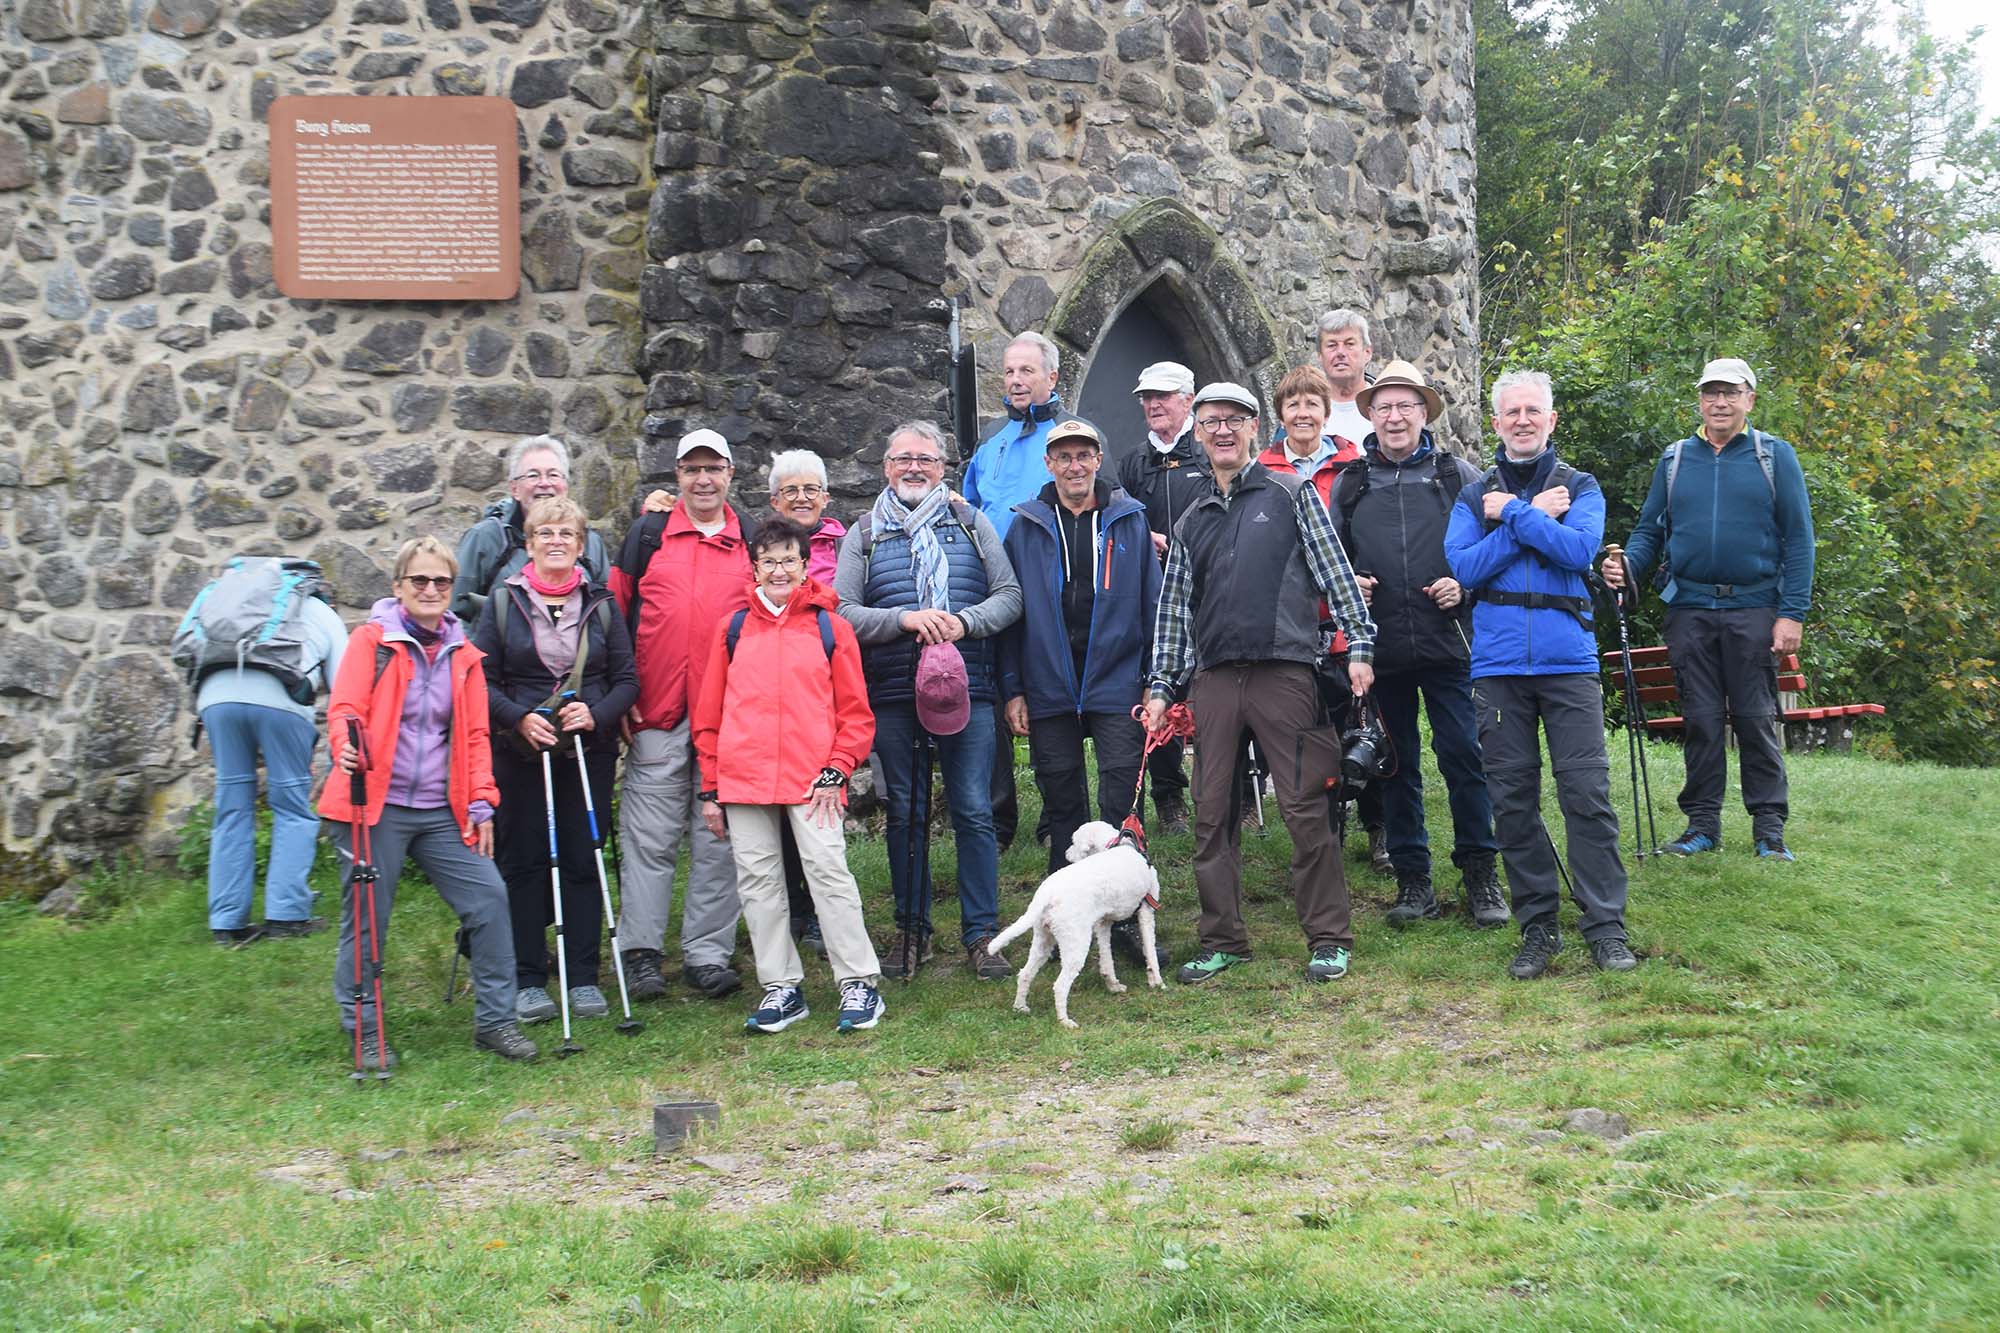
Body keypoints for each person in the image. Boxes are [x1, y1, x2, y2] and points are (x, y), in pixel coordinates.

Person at [1143, 382, 1377, 985]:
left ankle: (1328, 938)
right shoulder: (1192, 517)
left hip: (1286, 673)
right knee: (1211, 813)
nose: (1223, 430)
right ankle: (1222, 939)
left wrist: (1359, 645)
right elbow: (1173, 610)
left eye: (1235, 420)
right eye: (1211, 421)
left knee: (1304, 809)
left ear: (1254, 429)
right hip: (1215, 681)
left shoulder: (1290, 491)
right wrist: (1163, 685)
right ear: (1196, 433)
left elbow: (1335, 571)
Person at [1445, 371, 1638, 978]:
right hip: (1498, 669)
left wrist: (1516, 516)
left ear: (1551, 421)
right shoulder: (1474, 494)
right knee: (1514, 803)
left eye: (1534, 411)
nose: (1523, 420)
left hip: (1569, 666)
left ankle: (1605, 926)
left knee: (1586, 796)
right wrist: (1531, 518)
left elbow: (1580, 551)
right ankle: (1538, 928)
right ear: (1495, 423)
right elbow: (1465, 566)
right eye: (1512, 412)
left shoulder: (1580, 486)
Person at [319, 536, 537, 1066]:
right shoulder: (371, 642)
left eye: (441, 581)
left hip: (442, 810)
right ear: (398, 587)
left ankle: (496, 1022)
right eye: (419, 580)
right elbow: (344, 710)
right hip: (374, 806)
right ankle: (364, 1031)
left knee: (488, 899)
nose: (431, 590)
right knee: (369, 917)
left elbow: (475, 737)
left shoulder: (464, 654)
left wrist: (482, 801)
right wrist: (348, 749)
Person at [1602, 357, 1815, 861]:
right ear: (1699, 399)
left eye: (1730, 392)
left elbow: (1800, 539)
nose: (1719, 401)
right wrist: (1627, 568)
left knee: (1755, 717)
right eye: (1710, 392)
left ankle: (1769, 830)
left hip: (1755, 606)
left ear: (1749, 400)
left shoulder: (1773, 457)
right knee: (1698, 720)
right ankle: (1702, 827)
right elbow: (1650, 530)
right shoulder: (1675, 460)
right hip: (1689, 608)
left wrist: (1793, 613)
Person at [834, 421, 1023, 980]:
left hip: (970, 690)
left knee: (974, 811)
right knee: (906, 815)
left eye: (926, 459)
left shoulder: (971, 522)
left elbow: (1010, 596)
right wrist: (903, 620)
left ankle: (981, 934)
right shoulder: (864, 534)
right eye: (903, 459)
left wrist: (963, 624)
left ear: (943, 468)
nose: (914, 467)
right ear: (886, 467)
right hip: (894, 693)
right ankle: (911, 932)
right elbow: (843, 611)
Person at [693, 516, 885, 1035]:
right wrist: (711, 787)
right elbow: (709, 714)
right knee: (758, 883)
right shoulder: (732, 629)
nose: (779, 570)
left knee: (828, 873)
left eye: (788, 561)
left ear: (806, 566)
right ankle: (781, 986)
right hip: (743, 777)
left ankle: (859, 982)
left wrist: (838, 769)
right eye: (769, 561)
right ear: (754, 567)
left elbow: (855, 714)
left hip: (813, 777)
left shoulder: (831, 627)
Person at [1330, 360, 1505, 930]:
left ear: (1424, 412)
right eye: (1384, 406)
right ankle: (1413, 881)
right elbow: (1330, 563)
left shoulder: (1459, 475)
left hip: (1450, 644)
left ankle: (1481, 878)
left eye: (1406, 405)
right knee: (1394, 767)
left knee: (1464, 759)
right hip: (1381, 652)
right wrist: (1349, 583)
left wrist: (1468, 584)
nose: (1395, 416)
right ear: (1371, 415)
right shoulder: (1352, 484)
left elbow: (1497, 551)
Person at [999, 419, 1166, 968]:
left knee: (1123, 806)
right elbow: (1011, 615)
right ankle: (1063, 919)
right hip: (1048, 685)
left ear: (1099, 459)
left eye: (1084, 455)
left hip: (1118, 683)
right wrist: (1014, 688)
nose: (1074, 466)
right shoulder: (1025, 526)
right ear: (1049, 464)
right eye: (1063, 456)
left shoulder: (1130, 520)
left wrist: (1154, 679)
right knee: (1063, 803)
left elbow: (1152, 604)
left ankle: (1127, 921)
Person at [472, 496, 639, 1026]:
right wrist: (519, 718)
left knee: (582, 858)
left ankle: (584, 977)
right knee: (521, 863)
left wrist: (597, 714)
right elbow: (481, 681)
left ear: (581, 543)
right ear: (529, 543)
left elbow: (627, 681)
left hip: (585, 753)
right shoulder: (503, 603)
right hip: (519, 753)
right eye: (546, 533)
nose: (556, 542)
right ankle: (526, 978)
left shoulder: (602, 604)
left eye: (567, 533)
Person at [610, 428, 753, 1002]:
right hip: (657, 712)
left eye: (713, 468)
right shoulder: (647, 538)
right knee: (650, 837)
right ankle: (641, 952)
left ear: (730, 474)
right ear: (677, 476)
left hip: (729, 718)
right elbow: (614, 622)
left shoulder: (751, 545)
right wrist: (621, 697)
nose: (702, 480)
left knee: (719, 837)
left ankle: (708, 953)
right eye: (692, 469)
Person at [963, 331, 1098, 848]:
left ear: (1052, 377)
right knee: (991, 700)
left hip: (1048, 591)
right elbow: (972, 509)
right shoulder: (991, 441)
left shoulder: (1070, 440)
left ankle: (1056, 818)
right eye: (1010, 372)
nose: (1016, 381)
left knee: (1044, 702)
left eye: (1026, 371)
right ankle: (998, 820)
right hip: (990, 591)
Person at [1256, 363, 1388, 866]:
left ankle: (1379, 829)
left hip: (1349, 619)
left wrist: (1363, 577)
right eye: (1293, 405)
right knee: (1310, 739)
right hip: (1293, 624)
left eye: (1312, 403)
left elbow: (1370, 530)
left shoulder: (1355, 465)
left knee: (1364, 726)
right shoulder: (1264, 470)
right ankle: (1323, 837)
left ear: (1325, 410)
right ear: (1281, 414)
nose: (1303, 413)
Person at [197, 573, 349, 946]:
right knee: (291, 806)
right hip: (279, 698)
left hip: (215, 696)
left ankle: (227, 923)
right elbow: (344, 684)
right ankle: (286, 915)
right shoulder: (317, 609)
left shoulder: (223, 602)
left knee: (232, 806)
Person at [1113, 359, 1207, 834]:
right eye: (1147, 397)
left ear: (1187, 401)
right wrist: (1141, 534)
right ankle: (1169, 798)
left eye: (1163, 396)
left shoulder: (1209, 451)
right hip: (1154, 597)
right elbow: (1116, 526)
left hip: (1211, 591)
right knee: (1161, 691)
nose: (1153, 404)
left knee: (1214, 692)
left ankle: (1227, 793)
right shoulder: (1131, 463)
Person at [451, 434, 609, 629]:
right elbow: (455, 615)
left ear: (565, 485)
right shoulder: (484, 538)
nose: (544, 483)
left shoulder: (589, 541)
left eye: (553, 474)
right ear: (514, 488)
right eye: (533, 475)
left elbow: (606, 610)